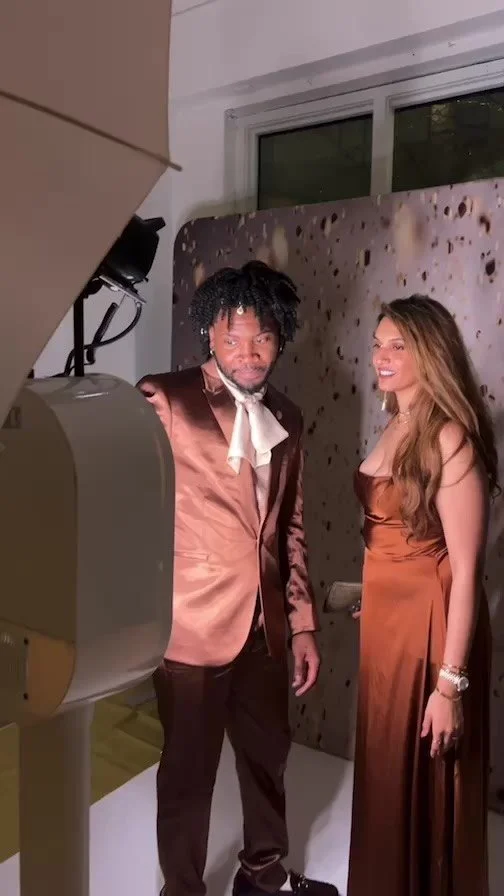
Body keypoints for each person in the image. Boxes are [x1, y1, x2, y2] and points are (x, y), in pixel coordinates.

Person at [138, 261, 338, 896]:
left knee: (268, 757)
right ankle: (182, 890)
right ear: (211, 335)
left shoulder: (289, 417)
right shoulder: (166, 399)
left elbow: (289, 529)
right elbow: (128, 512)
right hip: (190, 626)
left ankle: (263, 875)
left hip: (265, 625)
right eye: (233, 338)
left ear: (281, 338)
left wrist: (302, 624)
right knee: (187, 774)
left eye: (263, 338)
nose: (248, 353)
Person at [348, 295, 498, 896]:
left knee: (425, 782)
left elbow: (465, 571)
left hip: (434, 637)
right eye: (377, 345)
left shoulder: (449, 438)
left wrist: (450, 686)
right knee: (386, 772)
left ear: (430, 354)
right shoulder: (398, 422)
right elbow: (393, 537)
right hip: (388, 631)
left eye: (398, 346)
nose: (381, 357)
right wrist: (373, 595)